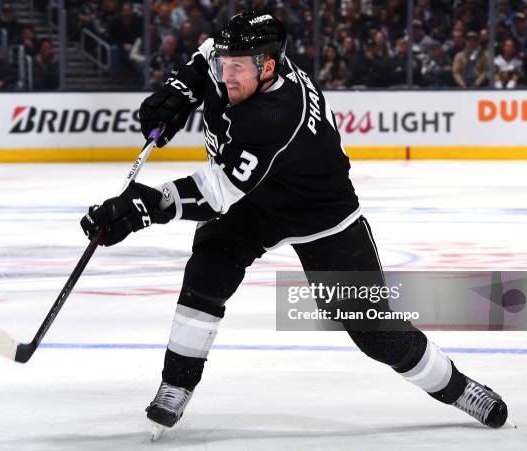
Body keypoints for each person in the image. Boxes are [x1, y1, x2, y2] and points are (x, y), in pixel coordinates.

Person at [80, 12, 508, 441]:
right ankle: (176, 383)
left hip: (318, 213)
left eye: (236, 69)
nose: (225, 76)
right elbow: (205, 57)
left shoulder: (275, 114)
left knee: (371, 327)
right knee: (205, 274)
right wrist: (177, 92)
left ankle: (459, 388)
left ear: (267, 68)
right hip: (252, 203)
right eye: (224, 67)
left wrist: (140, 207)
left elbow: (215, 194)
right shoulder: (240, 63)